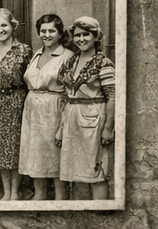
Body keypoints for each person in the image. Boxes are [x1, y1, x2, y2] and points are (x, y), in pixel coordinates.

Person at [56, 15, 116, 200]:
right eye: (77, 35)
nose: (81, 39)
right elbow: (66, 96)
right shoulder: (71, 62)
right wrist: (60, 128)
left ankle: (100, 217)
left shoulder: (103, 63)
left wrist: (108, 129)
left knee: (96, 172)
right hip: (72, 120)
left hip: (93, 120)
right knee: (76, 173)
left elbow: (113, 97)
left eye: (86, 35)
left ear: (96, 37)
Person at [20, 13, 70, 200]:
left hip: (55, 109)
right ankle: (39, 196)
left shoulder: (67, 56)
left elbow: (70, 93)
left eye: (51, 31)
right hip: (33, 110)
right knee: (36, 155)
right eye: (43, 31)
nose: (47, 35)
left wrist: (62, 127)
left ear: (60, 33)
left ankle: (60, 198)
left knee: (55, 156)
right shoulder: (37, 54)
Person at [0, 7, 32, 200]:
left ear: (12, 26)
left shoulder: (24, 50)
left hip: (17, 102)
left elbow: (31, 78)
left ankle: (15, 192)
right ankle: (6, 193)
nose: (0, 29)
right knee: (0, 151)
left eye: (4, 25)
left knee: (15, 149)